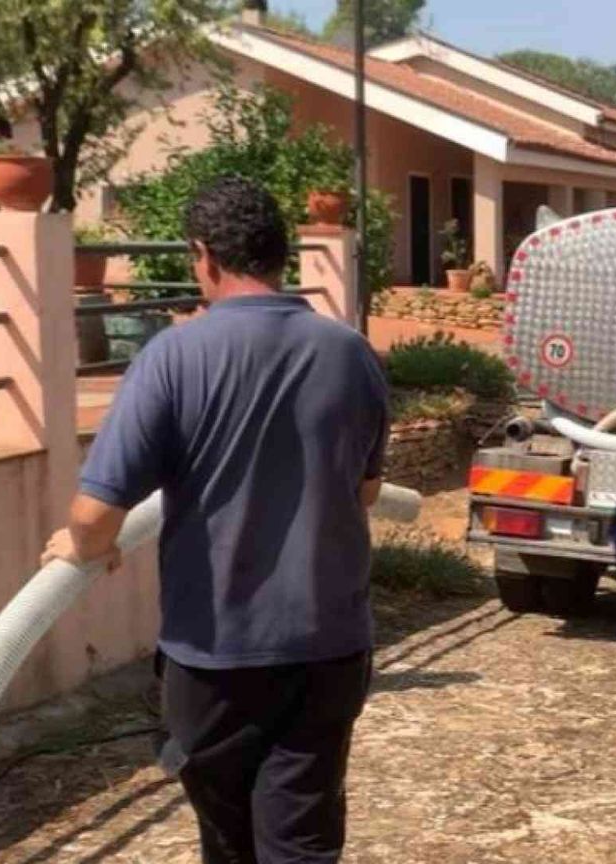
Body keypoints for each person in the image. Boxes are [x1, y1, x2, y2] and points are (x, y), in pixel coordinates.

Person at [40, 176, 389, 863]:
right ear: (280, 255)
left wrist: (83, 546)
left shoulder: (172, 357)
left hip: (215, 655)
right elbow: (367, 493)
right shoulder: (351, 355)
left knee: (227, 842)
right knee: (301, 841)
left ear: (203, 255)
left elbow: (96, 512)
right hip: (327, 647)